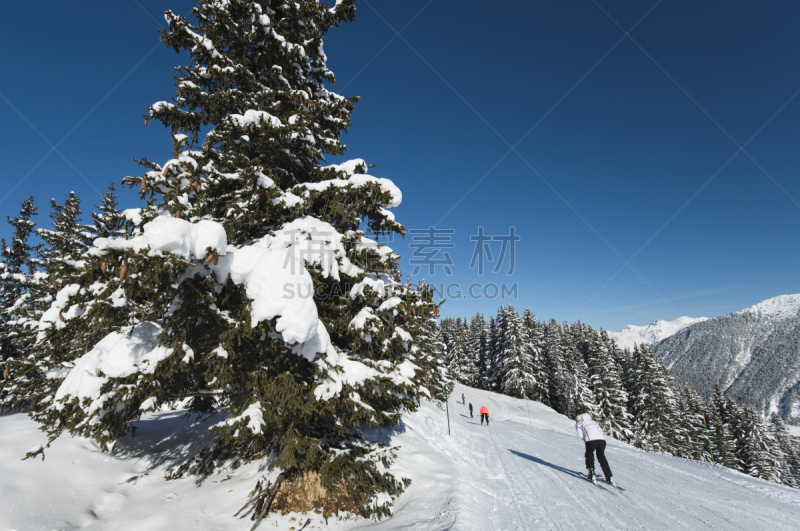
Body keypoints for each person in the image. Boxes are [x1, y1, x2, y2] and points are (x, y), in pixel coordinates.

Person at [575, 413, 615, 485]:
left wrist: (585, 439)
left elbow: (580, 435)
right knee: (601, 457)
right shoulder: (594, 422)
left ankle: (591, 474)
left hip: (590, 440)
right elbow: (600, 431)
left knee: (589, 455)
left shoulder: (579, 424)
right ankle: (609, 476)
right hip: (602, 440)